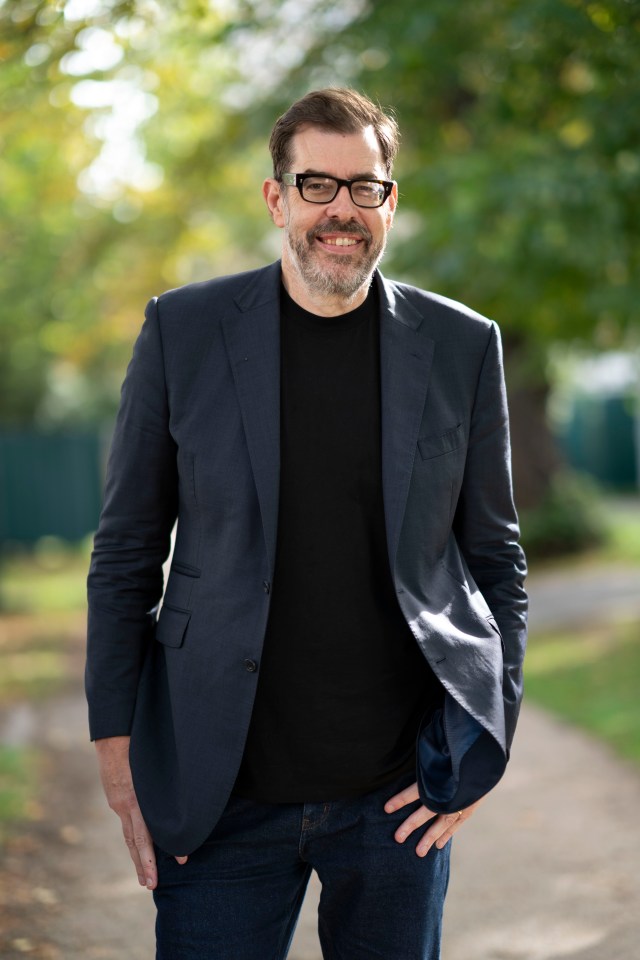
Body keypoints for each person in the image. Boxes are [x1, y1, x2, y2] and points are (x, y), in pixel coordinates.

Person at [86, 87, 528, 960]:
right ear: (277, 197)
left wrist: (485, 745)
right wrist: (115, 756)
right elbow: (127, 550)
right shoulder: (185, 330)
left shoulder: (462, 345)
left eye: (366, 188)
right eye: (317, 184)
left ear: (390, 203)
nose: (342, 210)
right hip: (221, 797)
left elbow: (495, 560)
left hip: (397, 801)